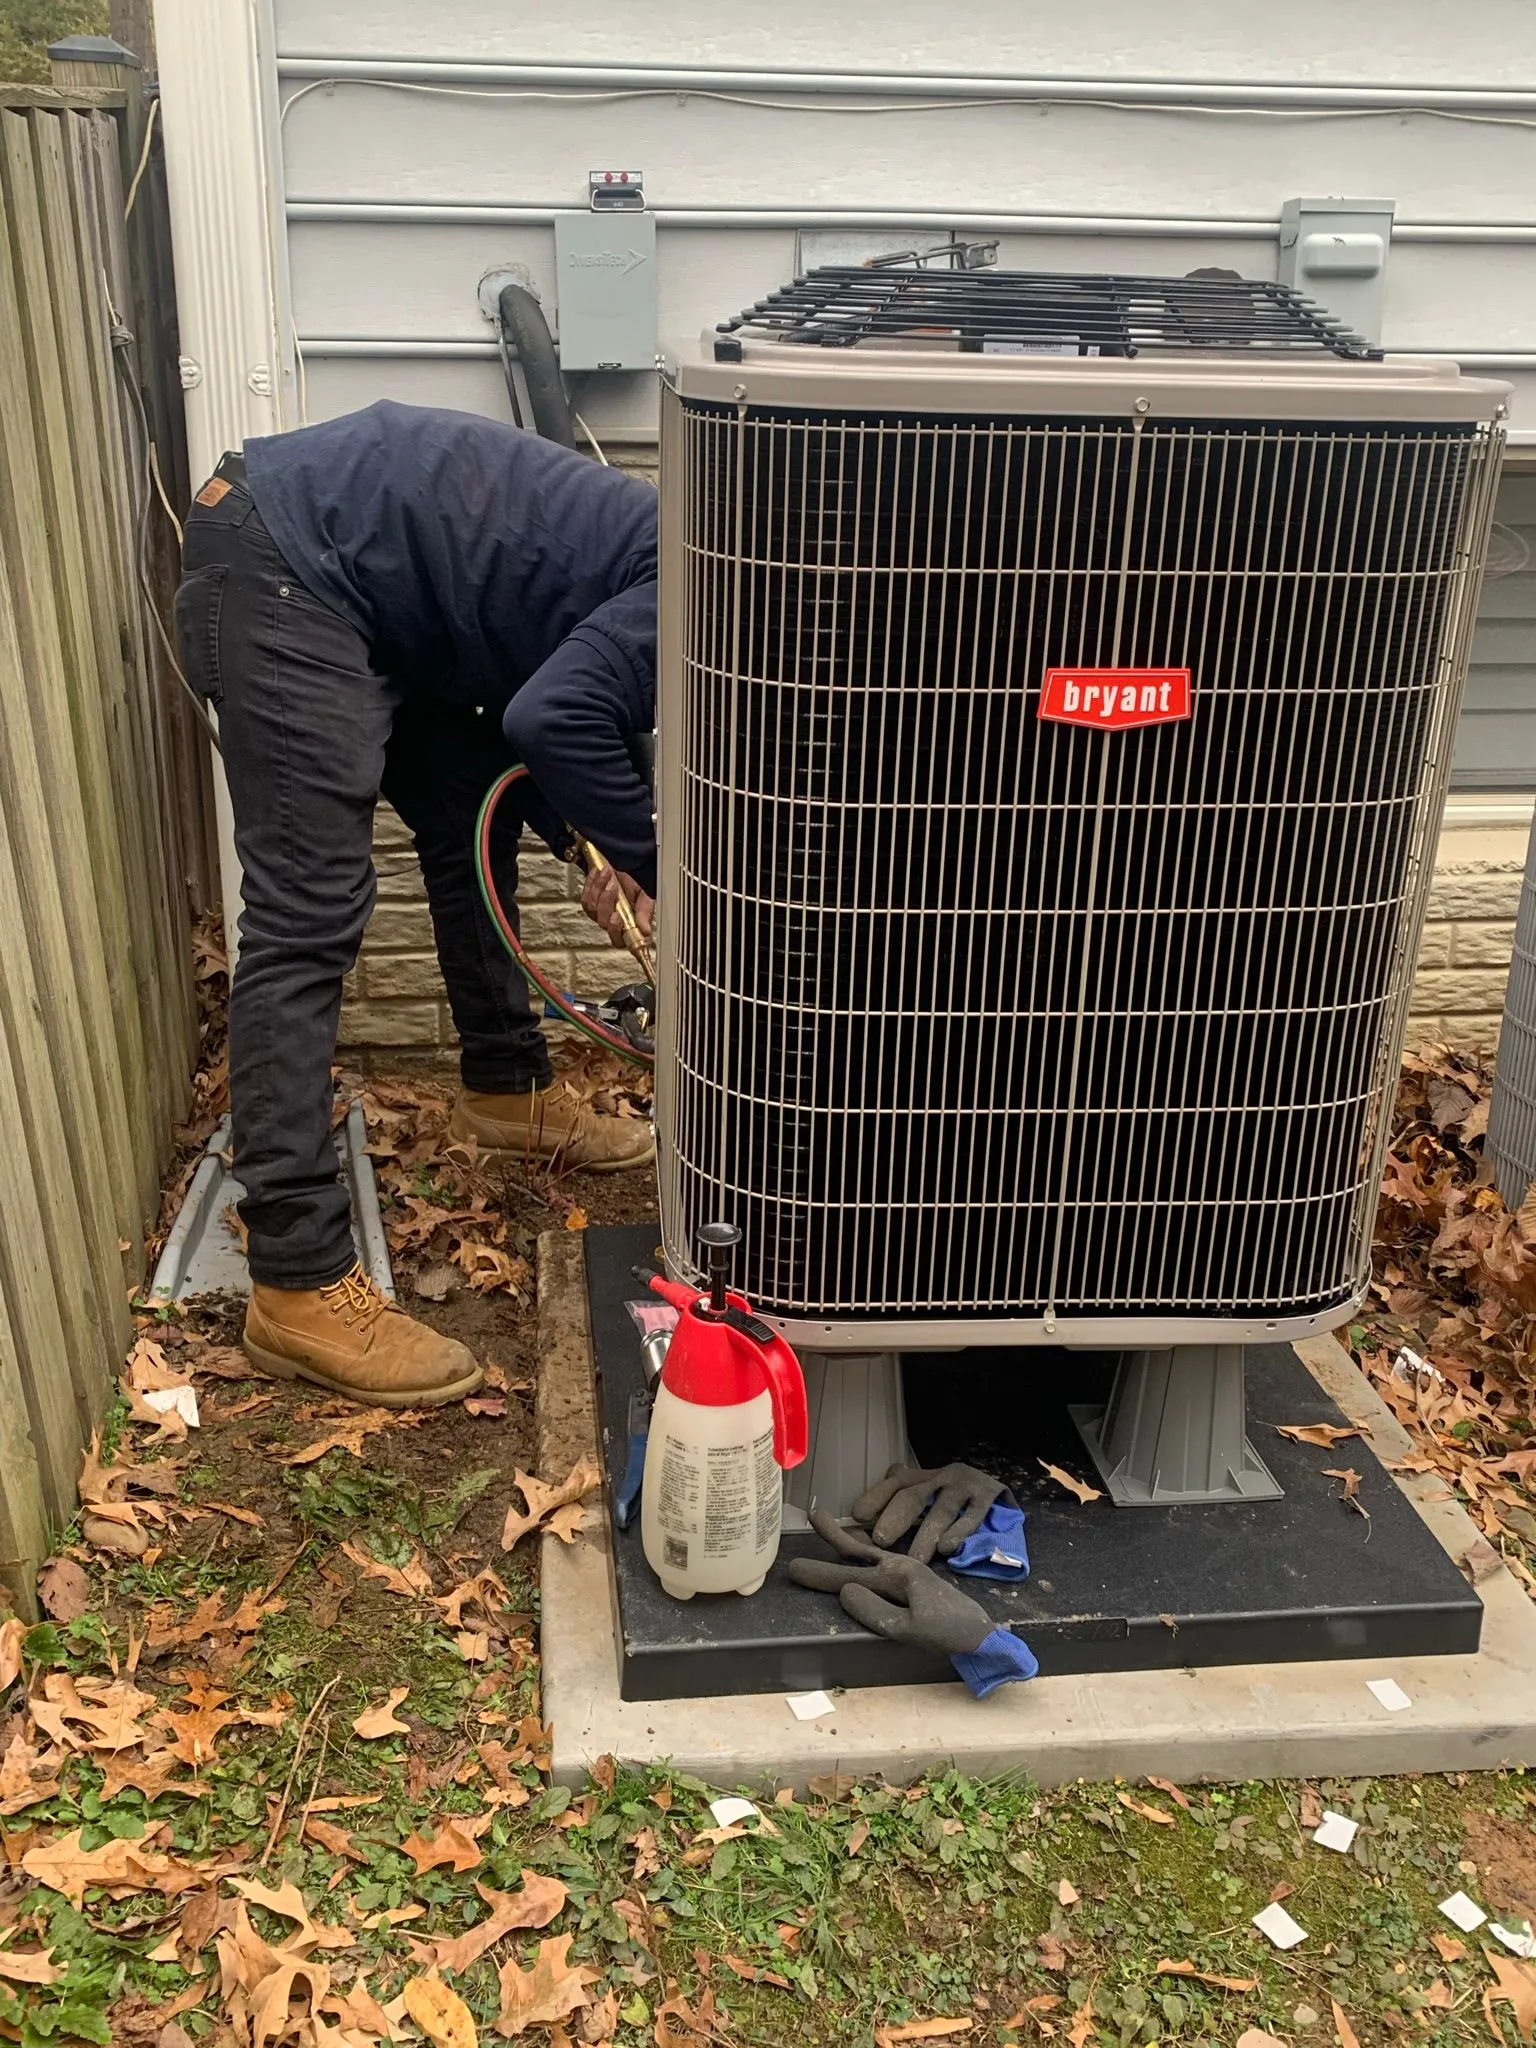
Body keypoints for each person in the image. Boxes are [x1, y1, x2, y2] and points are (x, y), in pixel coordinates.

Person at [175, 401, 659, 1407]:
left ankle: (508, 1087)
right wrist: (653, 868)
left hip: (358, 583)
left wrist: (601, 847)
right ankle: (298, 1279)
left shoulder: (685, 578)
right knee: (309, 909)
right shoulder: (710, 593)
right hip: (284, 558)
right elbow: (553, 715)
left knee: (469, 808)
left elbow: (552, 734)